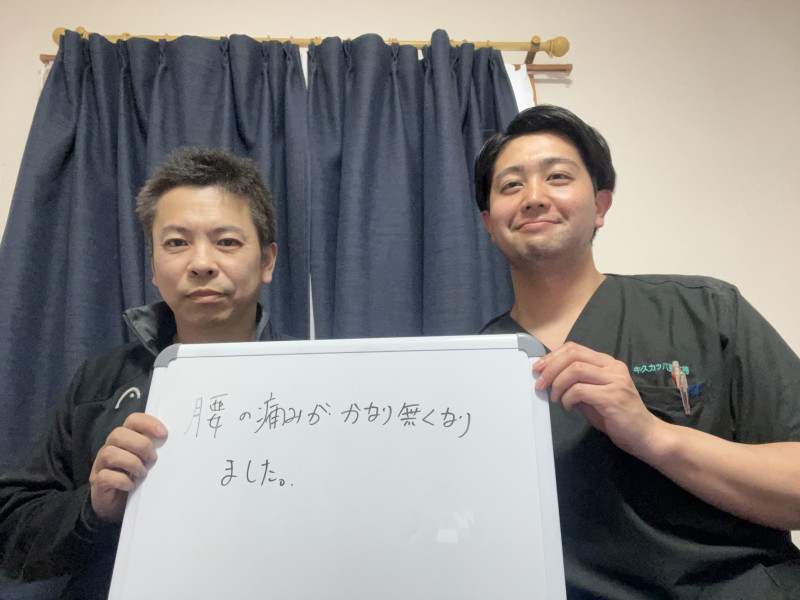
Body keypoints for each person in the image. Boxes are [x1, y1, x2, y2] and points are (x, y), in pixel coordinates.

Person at [476, 105, 800, 598]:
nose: (534, 197)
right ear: (488, 223)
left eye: (557, 176)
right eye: (511, 185)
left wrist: (653, 436)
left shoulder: (706, 309)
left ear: (600, 206)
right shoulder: (477, 367)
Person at [0, 146, 286, 599]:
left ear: (267, 261)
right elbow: (10, 531)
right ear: (153, 267)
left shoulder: (318, 385)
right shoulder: (100, 383)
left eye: (227, 242)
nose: (202, 263)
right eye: (176, 243)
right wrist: (92, 509)